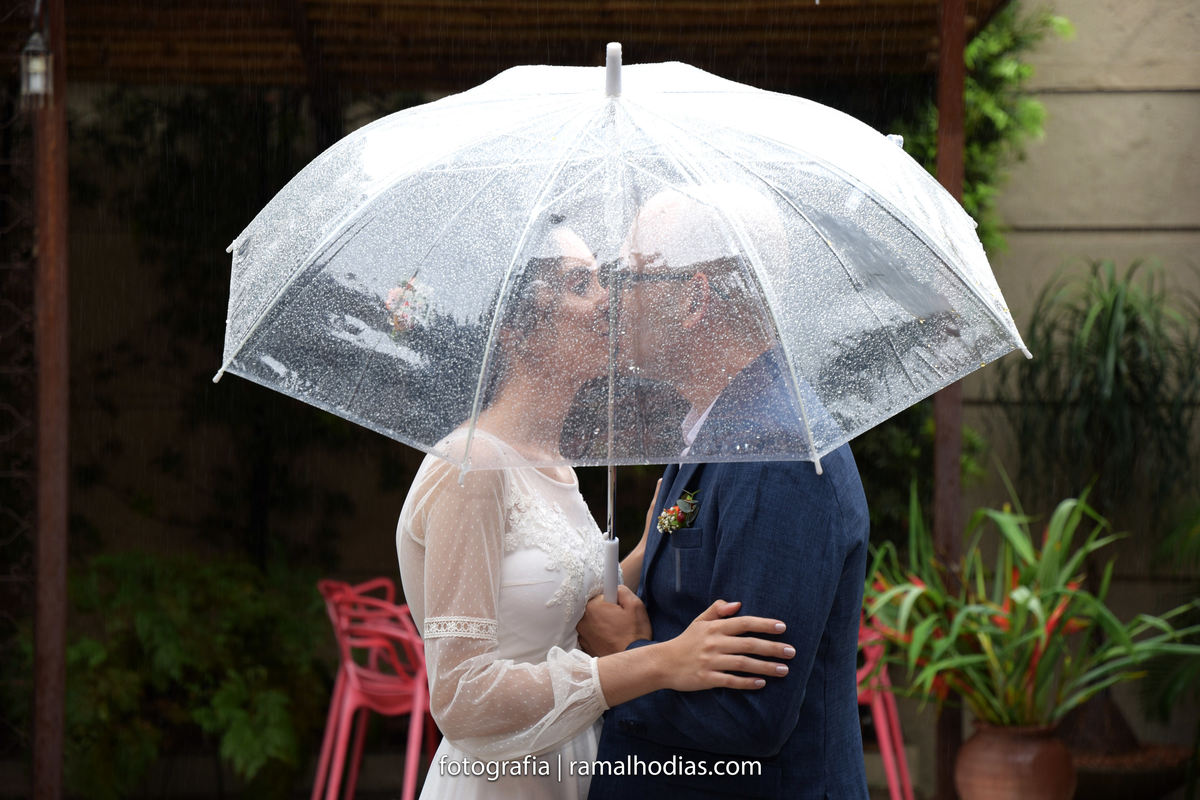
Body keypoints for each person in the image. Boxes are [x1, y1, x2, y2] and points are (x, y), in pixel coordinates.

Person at [396, 220, 797, 800]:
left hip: (578, 764)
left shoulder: (556, 463)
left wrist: (655, 539)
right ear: (512, 329)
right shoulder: (472, 466)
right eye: (580, 283)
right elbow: (462, 697)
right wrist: (659, 662)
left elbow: (566, 601)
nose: (610, 297)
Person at [578, 187, 872, 799]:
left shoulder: (775, 452)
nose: (612, 298)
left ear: (694, 298)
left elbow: (750, 712)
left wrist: (627, 654)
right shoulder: (725, 426)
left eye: (630, 278)